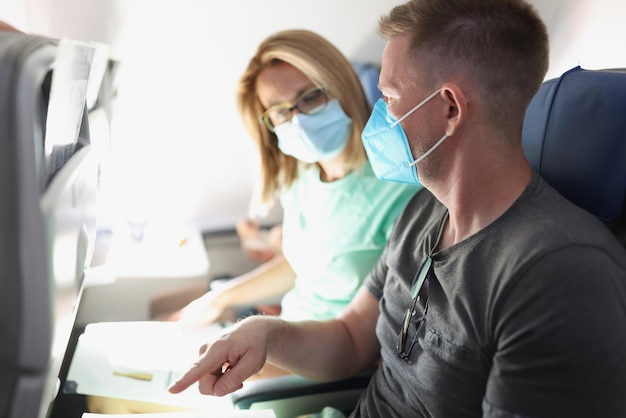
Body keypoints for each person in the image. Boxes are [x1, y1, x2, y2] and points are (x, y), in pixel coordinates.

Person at [168, 1, 626, 417]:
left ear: (449, 107)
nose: (377, 119)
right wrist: (265, 333)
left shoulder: (558, 275)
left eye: (389, 99)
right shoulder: (424, 215)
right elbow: (349, 341)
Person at [156, 29, 420, 333]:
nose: (298, 120)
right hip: (288, 330)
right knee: (163, 318)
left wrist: (258, 348)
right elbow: (303, 269)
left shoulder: (399, 188)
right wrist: (218, 299)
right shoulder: (302, 180)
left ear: (341, 85)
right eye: (280, 112)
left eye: (310, 97)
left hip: (328, 361)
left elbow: (374, 337)